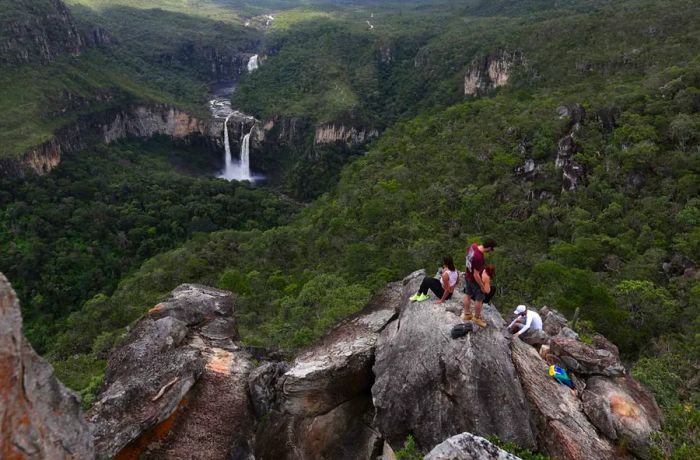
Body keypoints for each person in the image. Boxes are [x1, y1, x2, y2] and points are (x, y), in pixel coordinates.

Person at [462, 238, 497, 327]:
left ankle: (466, 314)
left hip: (467, 275)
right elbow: (476, 274)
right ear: (489, 248)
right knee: (479, 299)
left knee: (468, 294)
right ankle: (476, 318)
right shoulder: (479, 257)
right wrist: (481, 285)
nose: (491, 251)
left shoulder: (473, 246)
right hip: (474, 279)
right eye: (491, 249)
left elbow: (468, 259)